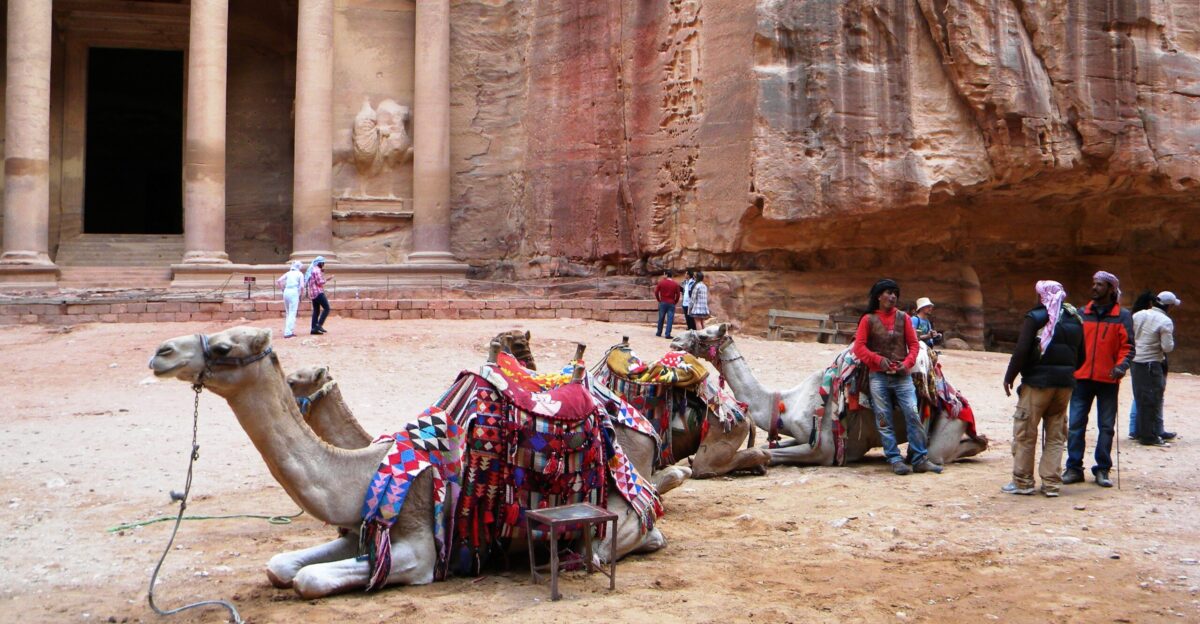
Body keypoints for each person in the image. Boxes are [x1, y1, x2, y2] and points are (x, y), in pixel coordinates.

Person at [1001, 281, 1086, 497]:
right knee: (1056, 435)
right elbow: (1081, 356)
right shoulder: (1076, 319)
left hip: (1037, 384)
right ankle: (1051, 483)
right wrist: (1066, 373)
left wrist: (1010, 376)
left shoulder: (1037, 317)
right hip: (1064, 386)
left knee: (1025, 432)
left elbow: (1021, 350)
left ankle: (1023, 482)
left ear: (1042, 295)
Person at [851, 279, 941, 475]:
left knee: (913, 413)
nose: (892, 297)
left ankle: (919, 458)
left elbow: (914, 345)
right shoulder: (868, 319)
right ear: (878, 296)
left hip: (902, 375)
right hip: (878, 376)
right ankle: (894, 459)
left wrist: (906, 364)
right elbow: (859, 347)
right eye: (888, 293)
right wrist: (878, 360)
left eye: (895, 293)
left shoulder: (904, 318)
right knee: (884, 418)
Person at [1063, 271, 1134, 489]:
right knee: (1075, 425)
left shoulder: (1122, 316)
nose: (1094, 287)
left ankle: (1102, 468)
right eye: (1094, 283)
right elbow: (1072, 343)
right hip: (1081, 378)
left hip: (1108, 379)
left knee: (1106, 427)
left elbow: (1128, 347)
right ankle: (1074, 468)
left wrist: (1121, 366)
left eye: (1100, 284)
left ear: (1111, 289)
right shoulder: (1081, 313)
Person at [1131, 291, 1180, 446]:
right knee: (1152, 399)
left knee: (1140, 398)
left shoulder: (1138, 315)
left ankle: (1140, 431)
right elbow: (1167, 347)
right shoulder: (1165, 321)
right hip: (1152, 363)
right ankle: (1149, 436)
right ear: (1169, 306)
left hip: (1136, 361)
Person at [275, 260, 305, 338]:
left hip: (286, 291)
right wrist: (301, 294)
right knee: (292, 313)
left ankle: (288, 330)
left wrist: (282, 289)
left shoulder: (288, 273)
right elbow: (302, 286)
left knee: (288, 312)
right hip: (294, 292)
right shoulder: (300, 274)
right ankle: (288, 332)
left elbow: (279, 281)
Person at [305, 256, 330, 335]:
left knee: (316, 310)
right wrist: (327, 279)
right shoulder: (317, 270)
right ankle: (319, 325)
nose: (323, 265)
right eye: (323, 263)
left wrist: (321, 273)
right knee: (327, 308)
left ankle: (313, 328)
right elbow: (320, 282)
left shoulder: (312, 269)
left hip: (312, 293)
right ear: (320, 263)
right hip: (318, 292)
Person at [653, 269, 682, 339]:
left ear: (666, 275)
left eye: (664, 274)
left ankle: (659, 332)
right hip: (671, 303)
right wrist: (675, 302)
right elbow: (678, 295)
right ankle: (667, 334)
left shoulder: (661, 282)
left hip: (663, 302)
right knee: (670, 319)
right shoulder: (675, 284)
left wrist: (659, 300)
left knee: (661, 318)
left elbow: (656, 292)